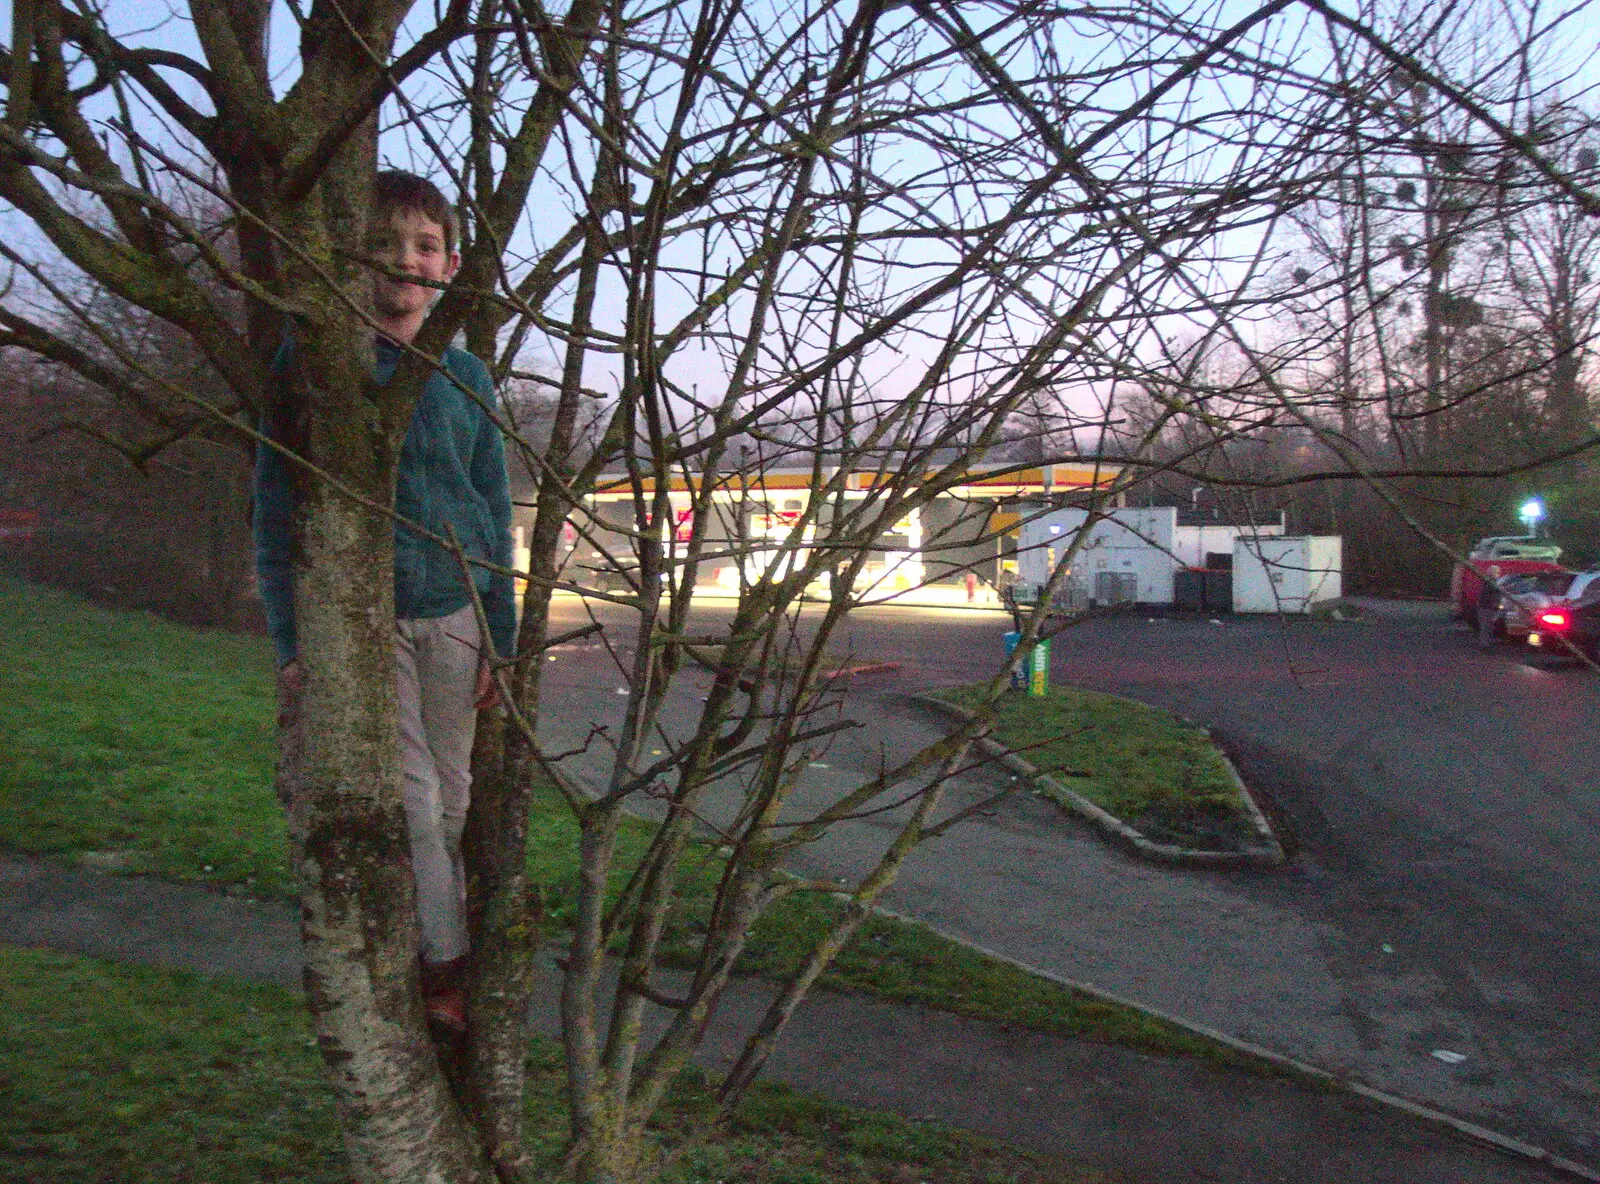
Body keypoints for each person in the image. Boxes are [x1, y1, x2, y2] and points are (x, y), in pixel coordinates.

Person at [253, 170, 516, 1034]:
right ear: (349, 257)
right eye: (383, 242)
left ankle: (437, 934)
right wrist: (291, 639)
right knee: (412, 799)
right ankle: (447, 967)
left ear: (448, 266)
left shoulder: (468, 372)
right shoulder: (314, 362)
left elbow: (496, 508)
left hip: (458, 617)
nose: (404, 260)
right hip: (363, 622)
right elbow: (273, 505)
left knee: (453, 796)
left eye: (425, 245)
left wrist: (501, 639)